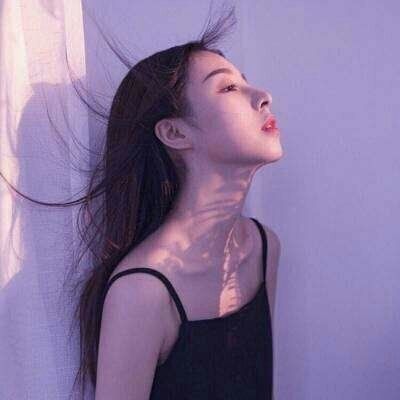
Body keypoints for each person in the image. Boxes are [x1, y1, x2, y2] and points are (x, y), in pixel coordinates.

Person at [0, 4, 282, 400]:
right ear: (174, 133)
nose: (264, 96)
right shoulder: (142, 291)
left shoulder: (263, 247)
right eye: (228, 88)